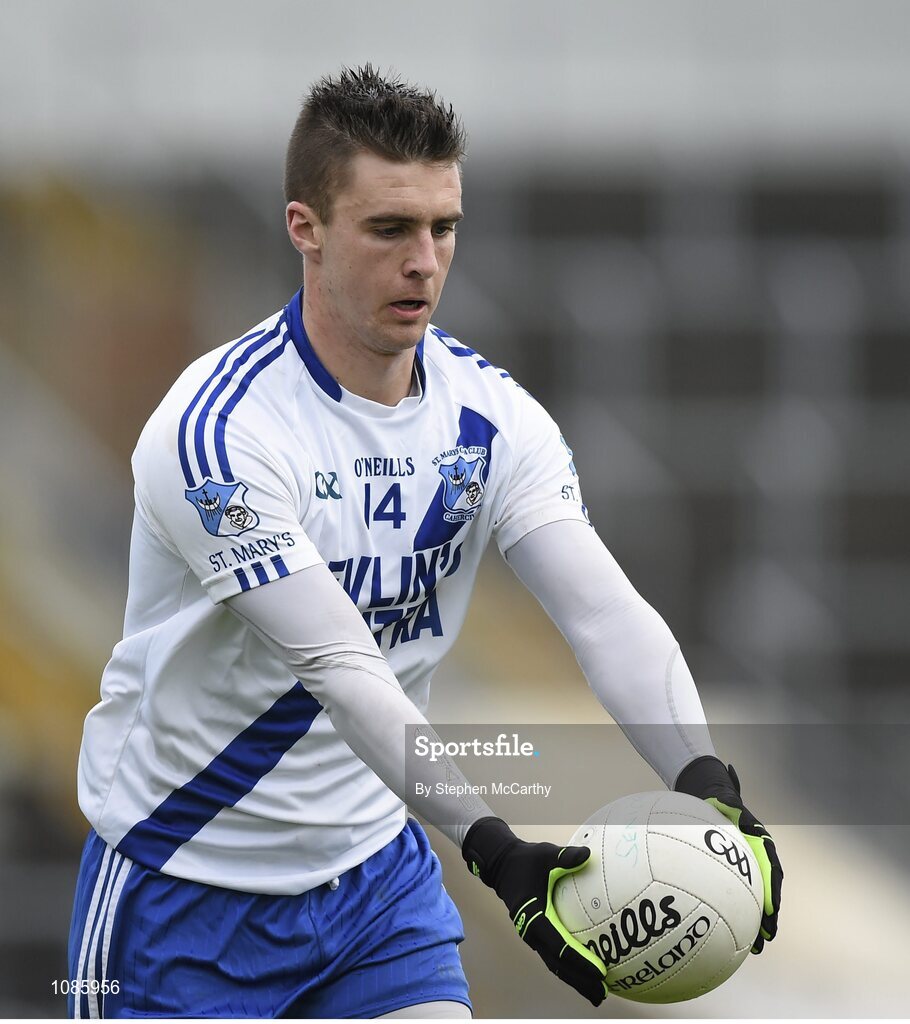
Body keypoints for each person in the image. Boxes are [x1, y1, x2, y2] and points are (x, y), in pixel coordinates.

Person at [67, 65, 782, 1019]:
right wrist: (495, 846)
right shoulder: (218, 433)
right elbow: (341, 665)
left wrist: (707, 784)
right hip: (180, 887)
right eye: (390, 228)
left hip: (375, 887)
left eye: (443, 227)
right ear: (305, 228)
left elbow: (604, 613)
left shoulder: (490, 418)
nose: (425, 261)